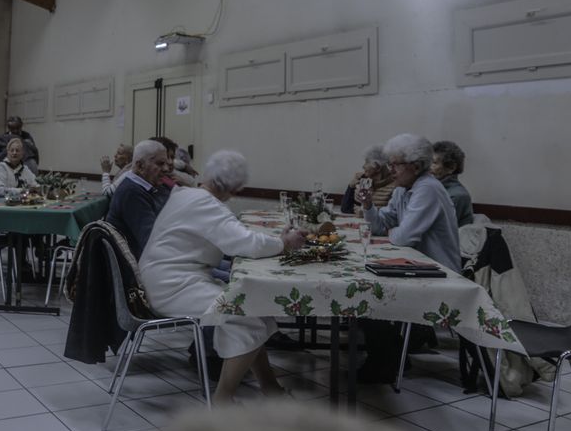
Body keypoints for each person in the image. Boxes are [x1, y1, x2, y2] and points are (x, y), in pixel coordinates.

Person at [140, 150, 305, 402]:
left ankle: (270, 388)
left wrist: (276, 242)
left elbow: (234, 235)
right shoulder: (204, 203)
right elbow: (242, 243)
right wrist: (284, 243)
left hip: (167, 277)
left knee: (252, 308)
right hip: (170, 285)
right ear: (230, 186)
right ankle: (223, 400)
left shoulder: (189, 195)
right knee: (244, 315)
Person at [355, 133, 461, 383]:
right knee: (362, 288)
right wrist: (369, 206)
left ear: (415, 166)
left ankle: (385, 362)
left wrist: (394, 233)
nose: (390, 170)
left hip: (438, 272)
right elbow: (382, 226)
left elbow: (404, 238)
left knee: (367, 294)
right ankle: (387, 354)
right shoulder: (404, 188)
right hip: (413, 266)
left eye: (395, 164)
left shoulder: (428, 189)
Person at [105, 139, 172, 259]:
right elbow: (153, 244)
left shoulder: (152, 186)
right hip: (144, 266)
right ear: (140, 166)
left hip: (161, 256)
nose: (166, 169)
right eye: (160, 164)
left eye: (166, 163)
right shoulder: (131, 192)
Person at [340, 145, 396, 214]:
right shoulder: (365, 182)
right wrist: (351, 187)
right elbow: (346, 209)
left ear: (378, 167)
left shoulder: (395, 186)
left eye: (367, 162)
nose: (363, 166)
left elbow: (393, 215)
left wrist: (367, 213)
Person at [431, 140, 474, 227]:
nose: (428, 167)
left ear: (451, 168)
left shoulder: (457, 196)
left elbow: (438, 229)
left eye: (434, 163)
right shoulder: (433, 187)